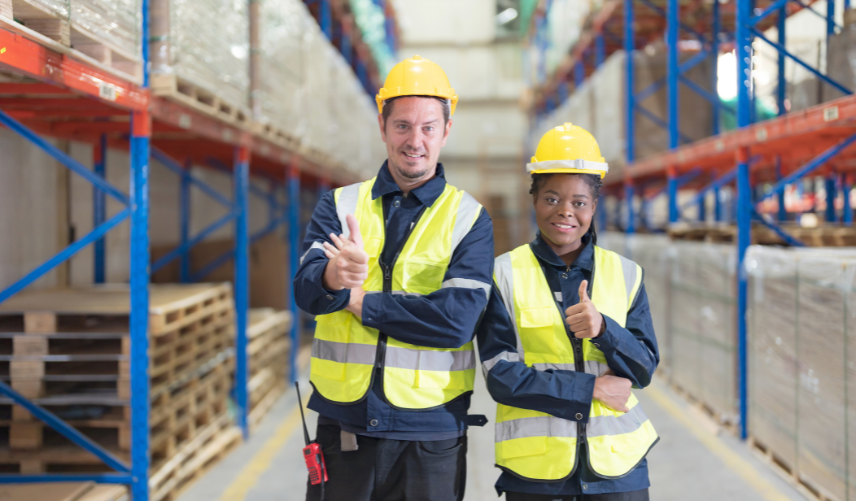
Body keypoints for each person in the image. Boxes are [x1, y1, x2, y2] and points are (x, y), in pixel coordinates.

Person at [293, 55, 494, 501]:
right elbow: (306, 292)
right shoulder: (340, 205)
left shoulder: (469, 219)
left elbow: (456, 322)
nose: (414, 140)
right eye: (402, 126)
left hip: (430, 433)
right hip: (344, 424)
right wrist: (331, 275)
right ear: (383, 128)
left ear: (446, 130)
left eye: (427, 127)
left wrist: (358, 300)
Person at [477, 123, 659, 500]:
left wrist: (604, 329)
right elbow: (501, 377)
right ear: (534, 200)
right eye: (551, 198)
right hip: (536, 472)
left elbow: (644, 368)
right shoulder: (503, 274)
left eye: (579, 202)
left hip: (618, 469)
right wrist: (592, 387)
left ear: (593, 206)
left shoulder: (625, 273)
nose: (565, 212)